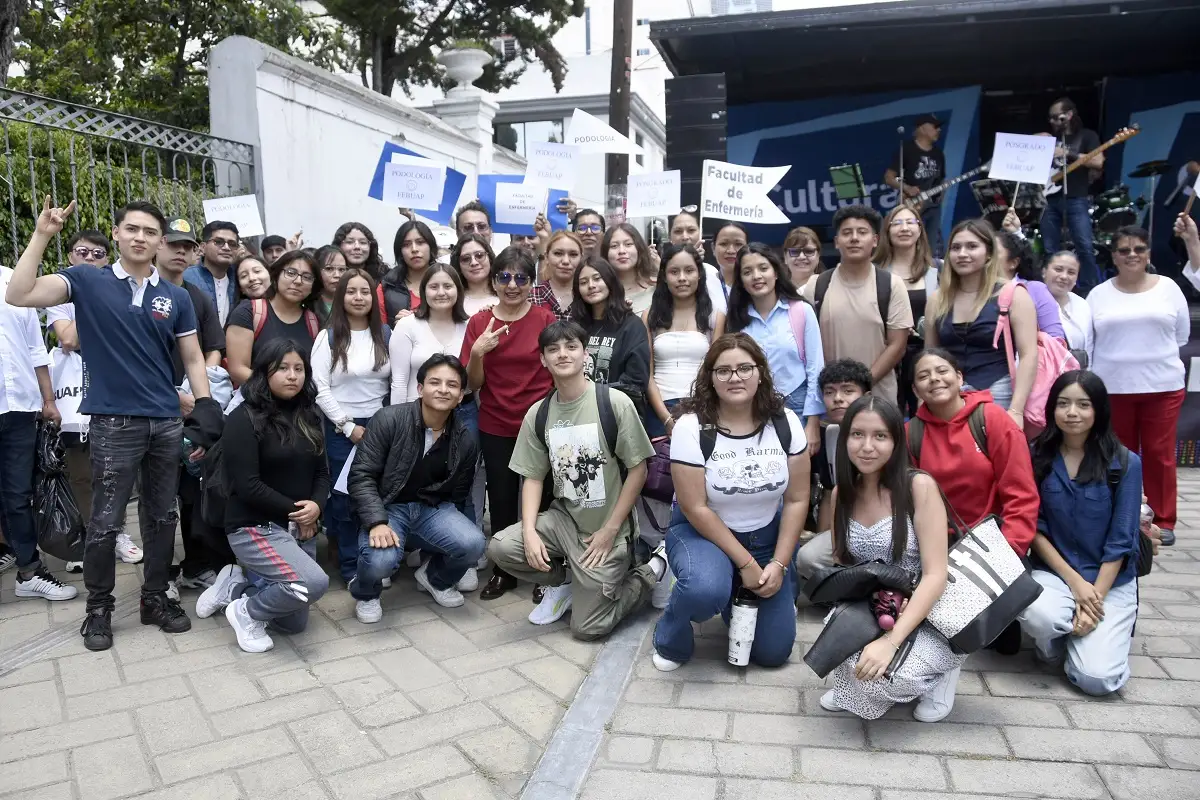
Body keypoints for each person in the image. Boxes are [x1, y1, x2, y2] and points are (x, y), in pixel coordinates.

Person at [5, 197, 213, 651]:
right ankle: (98, 609)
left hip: (165, 421)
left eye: (150, 232)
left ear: (160, 242)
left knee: (162, 516)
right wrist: (42, 235)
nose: (140, 237)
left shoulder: (176, 297)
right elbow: (18, 294)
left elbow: (194, 357)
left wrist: (205, 406)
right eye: (132, 229)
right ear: (116, 234)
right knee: (104, 521)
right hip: (114, 423)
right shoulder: (86, 280)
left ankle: (154, 598)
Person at [488, 319, 663, 635]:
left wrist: (611, 529)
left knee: (587, 628)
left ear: (586, 355)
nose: (562, 354)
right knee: (503, 547)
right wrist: (529, 531)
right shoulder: (539, 414)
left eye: (571, 347)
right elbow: (533, 478)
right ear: (543, 359)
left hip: (607, 527)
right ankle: (566, 580)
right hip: (564, 521)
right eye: (553, 349)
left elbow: (639, 471)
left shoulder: (614, 403)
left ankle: (651, 571)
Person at [652, 333, 809, 670]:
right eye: (723, 371)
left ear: (760, 372)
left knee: (773, 654)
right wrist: (747, 564)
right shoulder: (692, 427)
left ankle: (733, 593)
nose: (734, 377)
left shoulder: (786, 422)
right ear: (710, 378)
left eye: (744, 368)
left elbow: (797, 499)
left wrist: (779, 564)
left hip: (766, 538)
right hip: (703, 535)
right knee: (703, 590)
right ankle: (671, 635)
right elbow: (695, 507)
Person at [819, 395, 963, 721]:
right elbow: (845, 566)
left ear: (896, 441)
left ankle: (942, 672)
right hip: (878, 607)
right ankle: (855, 682)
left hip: (927, 609)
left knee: (884, 681)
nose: (867, 447)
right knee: (837, 640)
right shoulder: (842, 494)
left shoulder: (918, 487)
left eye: (880, 436)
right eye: (857, 434)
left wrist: (891, 642)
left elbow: (936, 575)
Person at [1020, 371, 1141, 695]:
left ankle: (1087, 640)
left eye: (1083, 404)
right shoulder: (1035, 455)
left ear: (1099, 410)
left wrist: (1092, 600)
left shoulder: (1125, 463)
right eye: (1063, 404)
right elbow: (1033, 529)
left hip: (1110, 581)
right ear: (1052, 409)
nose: (1072, 412)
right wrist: (1076, 585)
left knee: (1097, 680)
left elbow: (1121, 541)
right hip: (1055, 574)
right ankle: (1056, 644)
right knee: (1039, 615)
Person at [349, 354, 484, 620]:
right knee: (381, 561)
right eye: (435, 382)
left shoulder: (465, 439)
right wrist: (376, 521)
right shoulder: (388, 420)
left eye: (452, 385)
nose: (443, 390)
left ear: (460, 396)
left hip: (430, 510)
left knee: (474, 544)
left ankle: (435, 578)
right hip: (387, 508)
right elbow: (361, 476)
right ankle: (366, 592)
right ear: (420, 388)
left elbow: (460, 493)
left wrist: (454, 532)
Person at [220, 339, 330, 652]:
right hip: (254, 526)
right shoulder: (243, 418)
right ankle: (245, 613)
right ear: (264, 372)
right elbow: (248, 486)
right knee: (312, 583)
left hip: (297, 524)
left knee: (293, 624)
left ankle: (235, 589)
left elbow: (322, 473)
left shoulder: (310, 414)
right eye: (282, 368)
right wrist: (300, 514)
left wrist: (316, 506)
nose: (292, 376)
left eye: (299, 369)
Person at [461, 247, 556, 599]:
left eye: (521, 277)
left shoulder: (545, 319)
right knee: (500, 499)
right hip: (496, 423)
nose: (512, 285)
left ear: (531, 282)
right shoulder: (479, 323)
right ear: (494, 281)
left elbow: (557, 368)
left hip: (539, 424)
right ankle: (505, 570)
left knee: (544, 500)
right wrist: (478, 352)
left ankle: (545, 570)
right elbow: (472, 383)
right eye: (504, 277)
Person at [1088, 226, 1189, 545]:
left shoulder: (1169, 287)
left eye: (1139, 249)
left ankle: (1162, 520)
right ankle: (1123, 517)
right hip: (1112, 389)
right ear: (1114, 257)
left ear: (1148, 253)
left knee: (1160, 454)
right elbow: (1089, 342)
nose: (1132, 255)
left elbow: (1182, 335)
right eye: (1124, 250)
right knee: (1119, 456)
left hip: (1162, 387)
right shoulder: (1098, 294)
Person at [907, 348, 1038, 555]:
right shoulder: (910, 434)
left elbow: (1021, 496)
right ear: (915, 391)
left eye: (942, 371)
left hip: (996, 546)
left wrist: (1008, 553)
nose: (934, 379)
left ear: (959, 378)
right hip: (935, 549)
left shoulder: (993, 420)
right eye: (924, 376)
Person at [156, 218, 227, 592]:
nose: (180, 252)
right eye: (174, 245)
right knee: (158, 496)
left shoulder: (197, 297)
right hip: (152, 408)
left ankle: (196, 565)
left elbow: (212, 348)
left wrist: (199, 395)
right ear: (159, 245)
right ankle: (161, 573)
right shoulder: (144, 293)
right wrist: (175, 395)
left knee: (193, 490)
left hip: (192, 409)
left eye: (187, 247)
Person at [311, 267, 391, 584]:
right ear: (341, 297)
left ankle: (379, 560)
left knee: (380, 495)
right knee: (346, 500)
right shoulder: (328, 337)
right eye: (351, 291)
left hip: (381, 426)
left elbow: (395, 382)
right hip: (342, 429)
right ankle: (351, 566)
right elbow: (320, 388)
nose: (358, 297)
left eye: (365, 291)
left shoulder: (385, 334)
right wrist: (347, 426)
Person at [0, 258, 73, 601]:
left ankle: (29, 571)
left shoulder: (13, 281)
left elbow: (35, 348)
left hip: (20, 405)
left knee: (18, 494)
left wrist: (48, 400)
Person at [45, 228, 112, 570]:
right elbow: (68, 339)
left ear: (107, 260)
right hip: (75, 394)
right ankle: (88, 537)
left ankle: (115, 533)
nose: (89, 259)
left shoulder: (118, 287)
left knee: (114, 469)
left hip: (113, 387)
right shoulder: (60, 293)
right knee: (81, 473)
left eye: (97, 254)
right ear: (70, 256)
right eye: (82, 252)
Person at [924, 219, 1038, 420]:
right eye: (956, 248)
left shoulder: (1014, 294)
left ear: (989, 253)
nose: (962, 254)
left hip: (998, 393)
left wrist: (1016, 410)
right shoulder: (937, 299)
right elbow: (929, 355)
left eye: (972, 246)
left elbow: (1029, 354)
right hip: (947, 394)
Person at [802, 205, 913, 407]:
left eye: (862, 232)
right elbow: (807, 345)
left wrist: (861, 386)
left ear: (875, 240)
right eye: (847, 233)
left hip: (879, 403)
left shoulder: (891, 285)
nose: (854, 238)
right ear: (836, 242)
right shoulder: (816, 286)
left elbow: (897, 346)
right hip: (830, 403)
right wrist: (840, 391)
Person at [726, 243, 825, 442]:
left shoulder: (801, 311)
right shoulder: (736, 320)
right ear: (741, 281)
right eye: (747, 272)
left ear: (776, 272)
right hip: (751, 409)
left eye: (763, 268)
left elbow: (816, 368)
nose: (756, 276)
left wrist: (813, 421)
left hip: (797, 405)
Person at [795, 359, 872, 580]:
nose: (838, 398)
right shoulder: (829, 434)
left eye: (848, 391)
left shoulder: (885, 431)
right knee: (808, 558)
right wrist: (823, 538)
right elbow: (829, 492)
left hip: (887, 525)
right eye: (829, 392)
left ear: (866, 396)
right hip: (847, 527)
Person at [643, 243, 724, 439]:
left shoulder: (715, 316)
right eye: (674, 272)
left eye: (689, 271)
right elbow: (647, 374)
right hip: (659, 408)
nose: (682, 278)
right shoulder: (650, 316)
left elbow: (714, 369)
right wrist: (666, 419)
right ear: (664, 276)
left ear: (700, 274)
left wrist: (695, 411)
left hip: (703, 407)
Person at [874, 205, 938, 418]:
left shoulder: (937, 271)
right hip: (886, 356)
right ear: (887, 231)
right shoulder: (874, 273)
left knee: (929, 417)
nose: (904, 228)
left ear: (920, 229)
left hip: (927, 354)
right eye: (897, 223)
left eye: (910, 222)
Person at [226, 251, 322, 386]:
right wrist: (277, 389)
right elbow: (237, 370)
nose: (298, 281)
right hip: (257, 395)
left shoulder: (313, 321)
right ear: (276, 276)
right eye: (291, 273)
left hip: (300, 397)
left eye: (307, 277)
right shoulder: (249, 312)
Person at [1041, 98, 1104, 290]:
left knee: (1084, 246)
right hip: (1049, 199)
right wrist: (1037, 138)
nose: (1052, 121)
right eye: (1050, 118)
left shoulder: (1086, 136)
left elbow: (1098, 161)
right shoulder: (1050, 139)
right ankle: (1050, 290)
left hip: (1076, 197)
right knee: (1049, 248)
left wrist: (1068, 154)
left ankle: (1089, 290)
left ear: (1068, 115)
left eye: (1055, 117)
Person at [571, 256, 651, 404]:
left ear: (610, 281)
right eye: (583, 282)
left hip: (617, 409)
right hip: (578, 408)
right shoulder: (574, 326)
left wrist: (596, 398)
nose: (591, 285)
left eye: (597, 278)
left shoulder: (632, 325)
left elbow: (636, 380)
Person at [884, 114, 946, 255]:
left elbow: (941, 179)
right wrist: (907, 188)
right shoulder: (906, 149)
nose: (939, 130)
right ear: (923, 128)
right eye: (935, 126)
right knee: (910, 242)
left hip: (933, 206)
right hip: (912, 204)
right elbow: (889, 177)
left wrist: (941, 194)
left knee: (931, 245)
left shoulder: (938, 153)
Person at [994, 229, 1065, 340]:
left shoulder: (1034, 289)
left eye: (992, 252)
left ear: (1013, 263)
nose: (985, 257)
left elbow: (1056, 341)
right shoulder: (971, 291)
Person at [668, 209, 726, 315]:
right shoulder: (659, 270)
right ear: (669, 236)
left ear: (700, 232)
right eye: (678, 231)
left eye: (691, 230)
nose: (685, 237)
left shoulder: (712, 272)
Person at [184, 221, 240, 326]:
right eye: (218, 242)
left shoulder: (240, 279)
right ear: (203, 247)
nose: (226, 247)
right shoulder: (186, 278)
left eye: (232, 244)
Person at [1042, 251, 1092, 365]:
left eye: (1071, 272)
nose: (1064, 276)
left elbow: (1089, 346)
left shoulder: (1082, 304)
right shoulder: (1030, 301)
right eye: (1058, 269)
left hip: (1076, 373)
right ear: (1044, 272)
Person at [383, 220, 436, 322]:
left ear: (431, 246)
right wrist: (398, 326)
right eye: (406, 244)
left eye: (420, 242)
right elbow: (380, 328)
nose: (414, 249)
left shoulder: (449, 280)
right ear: (400, 251)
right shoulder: (386, 286)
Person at [601, 223, 656, 314]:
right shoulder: (600, 293)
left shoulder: (657, 288)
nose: (622, 251)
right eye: (614, 246)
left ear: (639, 248)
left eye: (628, 244)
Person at [530, 230, 581, 320]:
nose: (565, 261)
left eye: (573, 254)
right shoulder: (531, 297)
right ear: (546, 257)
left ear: (581, 258)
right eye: (558, 253)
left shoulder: (588, 296)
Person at [452, 234, 498, 316]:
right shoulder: (452, 300)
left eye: (479, 255)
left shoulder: (507, 295)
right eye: (466, 259)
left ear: (490, 258)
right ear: (458, 265)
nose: (474, 262)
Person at [312, 245, 347, 324]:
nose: (337, 275)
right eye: (329, 269)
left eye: (342, 269)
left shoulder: (352, 301)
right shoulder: (307, 305)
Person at [712, 222, 748, 298]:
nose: (731, 251)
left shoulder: (756, 284)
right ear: (713, 248)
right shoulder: (703, 284)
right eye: (724, 244)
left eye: (738, 244)